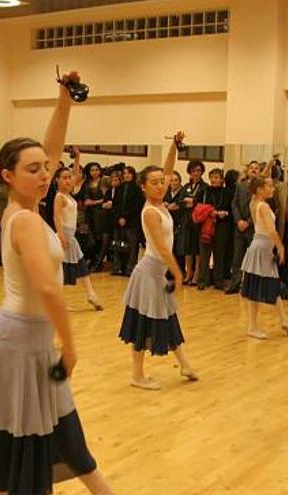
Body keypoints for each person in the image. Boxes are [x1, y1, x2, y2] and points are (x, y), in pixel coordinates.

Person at [0, 71, 115, 495]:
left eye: (47, 168)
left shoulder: (29, 207)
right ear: (7, 176)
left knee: (66, 447)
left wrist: (63, 98)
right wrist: (72, 346)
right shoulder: (24, 219)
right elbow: (47, 290)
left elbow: (53, 147)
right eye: (33, 170)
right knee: (25, 454)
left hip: (30, 347)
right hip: (19, 349)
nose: (45, 174)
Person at [118, 131, 199, 391]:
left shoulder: (162, 203)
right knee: (144, 324)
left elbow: (167, 169)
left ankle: (185, 365)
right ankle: (137, 375)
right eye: (153, 183)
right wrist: (177, 274)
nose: (160, 185)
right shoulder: (150, 212)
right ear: (143, 187)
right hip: (150, 273)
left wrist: (174, 146)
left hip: (158, 273)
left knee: (169, 318)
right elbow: (163, 250)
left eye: (161, 182)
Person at [240, 166, 288, 340]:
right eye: (269, 186)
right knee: (258, 288)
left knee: (271, 285)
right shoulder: (262, 206)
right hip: (262, 248)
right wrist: (281, 247)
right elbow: (271, 230)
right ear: (259, 190)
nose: (272, 189)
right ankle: (253, 326)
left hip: (261, 248)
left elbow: (259, 180)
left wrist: (269, 163)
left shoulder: (254, 201)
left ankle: (284, 320)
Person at [53, 148, 103, 310]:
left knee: (78, 266)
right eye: (64, 178)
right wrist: (61, 236)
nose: (68, 180)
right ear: (57, 181)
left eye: (69, 178)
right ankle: (88, 295)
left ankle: (91, 295)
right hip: (64, 235)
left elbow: (76, 174)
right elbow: (57, 217)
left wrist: (78, 157)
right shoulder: (59, 197)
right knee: (63, 268)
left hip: (70, 235)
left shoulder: (69, 194)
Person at [225, 162, 261, 294]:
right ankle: (235, 284)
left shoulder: (261, 187)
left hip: (253, 227)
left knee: (253, 258)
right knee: (237, 257)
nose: (253, 170)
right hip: (239, 227)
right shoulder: (239, 185)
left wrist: (248, 222)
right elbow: (234, 204)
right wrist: (239, 220)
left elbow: (260, 207)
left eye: (256, 168)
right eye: (251, 168)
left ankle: (251, 287)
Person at [197, 168, 231, 291]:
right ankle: (202, 280)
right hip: (206, 225)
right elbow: (198, 207)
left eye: (216, 177)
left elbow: (230, 209)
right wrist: (212, 212)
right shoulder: (204, 191)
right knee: (204, 254)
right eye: (212, 177)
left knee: (219, 254)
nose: (214, 180)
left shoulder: (227, 192)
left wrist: (224, 213)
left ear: (222, 179)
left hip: (222, 226)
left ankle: (218, 281)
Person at [179, 160, 208, 285]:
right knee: (187, 248)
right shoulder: (186, 186)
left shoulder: (204, 187)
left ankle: (197, 273)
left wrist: (194, 202)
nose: (196, 173)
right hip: (186, 220)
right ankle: (188, 272)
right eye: (193, 171)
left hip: (198, 221)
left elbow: (204, 203)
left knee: (197, 248)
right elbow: (179, 201)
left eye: (198, 170)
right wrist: (185, 201)